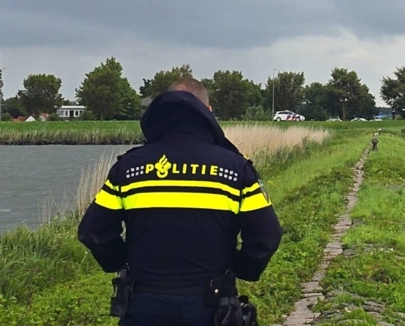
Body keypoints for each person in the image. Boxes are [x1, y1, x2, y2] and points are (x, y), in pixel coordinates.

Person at [78, 76, 283, 326]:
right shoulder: (235, 168)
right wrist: (243, 269)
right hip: (212, 306)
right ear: (208, 112)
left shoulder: (130, 167)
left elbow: (93, 231)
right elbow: (266, 236)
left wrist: (120, 261)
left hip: (143, 304)